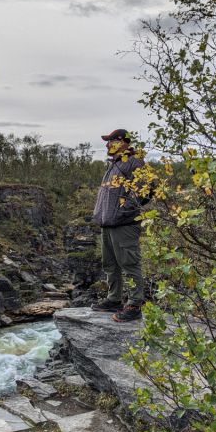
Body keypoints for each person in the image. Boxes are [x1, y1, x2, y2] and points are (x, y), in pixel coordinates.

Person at [90, 129, 146, 322]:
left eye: (110, 141)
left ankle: (134, 305)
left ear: (121, 141)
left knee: (129, 264)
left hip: (124, 223)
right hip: (109, 224)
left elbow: (145, 190)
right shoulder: (116, 163)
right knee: (110, 264)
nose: (107, 145)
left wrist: (124, 210)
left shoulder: (133, 161)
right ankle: (115, 300)